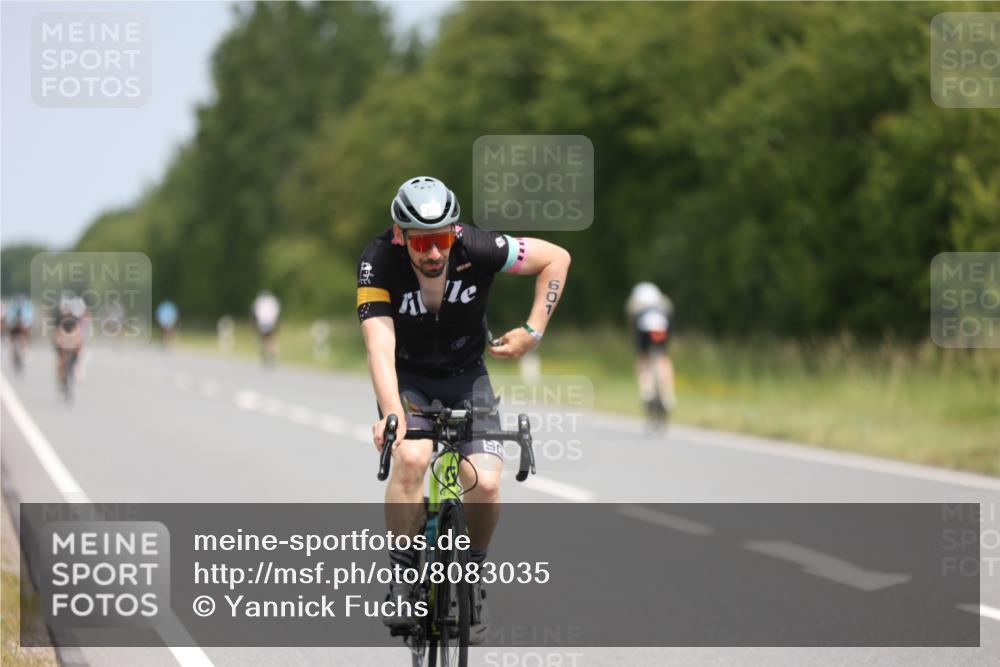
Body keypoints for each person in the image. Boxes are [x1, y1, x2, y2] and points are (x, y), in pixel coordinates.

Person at [358, 176, 571, 641]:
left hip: (465, 376)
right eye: (422, 242)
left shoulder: (480, 245)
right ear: (401, 236)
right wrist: (392, 414)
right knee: (412, 458)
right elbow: (379, 345)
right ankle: (400, 576)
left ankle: (471, 574)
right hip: (407, 378)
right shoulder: (378, 262)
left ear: (454, 233)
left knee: (487, 483)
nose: (434, 253)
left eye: (442, 239)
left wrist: (534, 330)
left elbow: (557, 258)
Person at [626, 281, 676, 423]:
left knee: (642, 357)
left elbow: (632, 324)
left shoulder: (636, 305)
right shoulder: (663, 303)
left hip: (643, 329)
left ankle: (646, 389)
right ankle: (668, 396)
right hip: (662, 328)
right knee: (663, 358)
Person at [53, 296, 86, 399]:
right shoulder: (58, 317)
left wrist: (77, 343)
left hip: (73, 340)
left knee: (77, 354)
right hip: (61, 339)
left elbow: (79, 332)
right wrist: (59, 342)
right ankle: (60, 378)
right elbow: (56, 332)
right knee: (60, 360)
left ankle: (74, 372)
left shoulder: (75, 318)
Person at [250, 290, 281, 365]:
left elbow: (254, 312)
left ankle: (266, 355)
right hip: (272, 321)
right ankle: (273, 352)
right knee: (271, 338)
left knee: (264, 339)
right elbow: (277, 312)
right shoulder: (273, 301)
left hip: (262, 322)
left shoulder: (259, 301)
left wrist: (254, 323)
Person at [5, 294, 34, 374]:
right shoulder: (13, 307)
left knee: (27, 332)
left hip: (23, 326)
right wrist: (13, 323)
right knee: (11, 335)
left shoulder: (27, 307)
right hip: (14, 327)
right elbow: (9, 317)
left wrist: (25, 324)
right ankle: (11, 348)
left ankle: (27, 347)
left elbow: (29, 318)